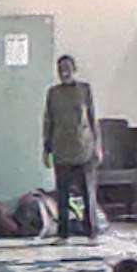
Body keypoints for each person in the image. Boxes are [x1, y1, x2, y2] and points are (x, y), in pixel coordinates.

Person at [39, 54, 99, 237]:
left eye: (67, 68)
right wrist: (46, 149)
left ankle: (91, 232)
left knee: (87, 192)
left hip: (84, 148)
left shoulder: (85, 90)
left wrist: (98, 146)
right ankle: (63, 233)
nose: (64, 72)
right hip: (61, 149)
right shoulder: (53, 93)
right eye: (60, 69)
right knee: (62, 194)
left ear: (74, 69)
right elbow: (48, 121)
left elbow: (93, 119)